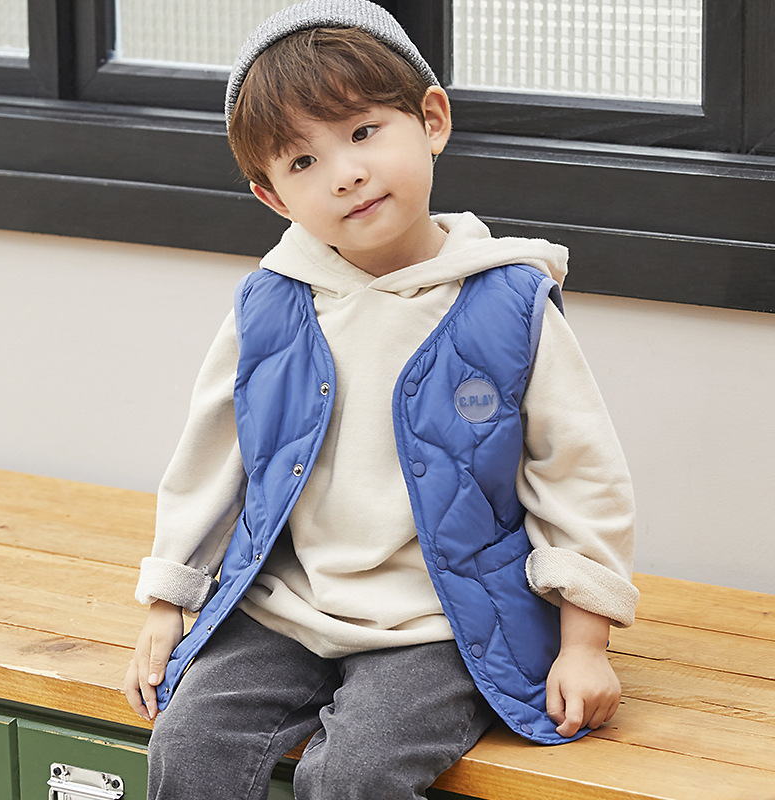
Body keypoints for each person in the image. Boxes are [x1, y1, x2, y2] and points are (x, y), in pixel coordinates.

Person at [124, 2, 639, 798]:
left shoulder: (508, 303)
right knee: (188, 746)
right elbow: (211, 459)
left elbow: (577, 475)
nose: (345, 174)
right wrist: (168, 601)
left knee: (354, 775)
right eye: (303, 161)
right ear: (273, 198)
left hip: (444, 624)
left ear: (431, 119)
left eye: (363, 132)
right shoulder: (271, 304)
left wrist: (584, 644)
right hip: (288, 607)